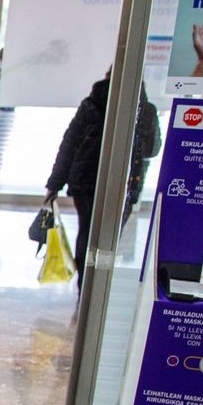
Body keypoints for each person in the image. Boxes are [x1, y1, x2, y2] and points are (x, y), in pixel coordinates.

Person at [45, 71, 161, 290]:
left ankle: (85, 288)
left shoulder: (91, 104)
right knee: (109, 239)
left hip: (85, 182)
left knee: (87, 233)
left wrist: (54, 183)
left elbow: (69, 144)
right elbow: (152, 150)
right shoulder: (145, 109)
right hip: (124, 185)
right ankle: (98, 288)